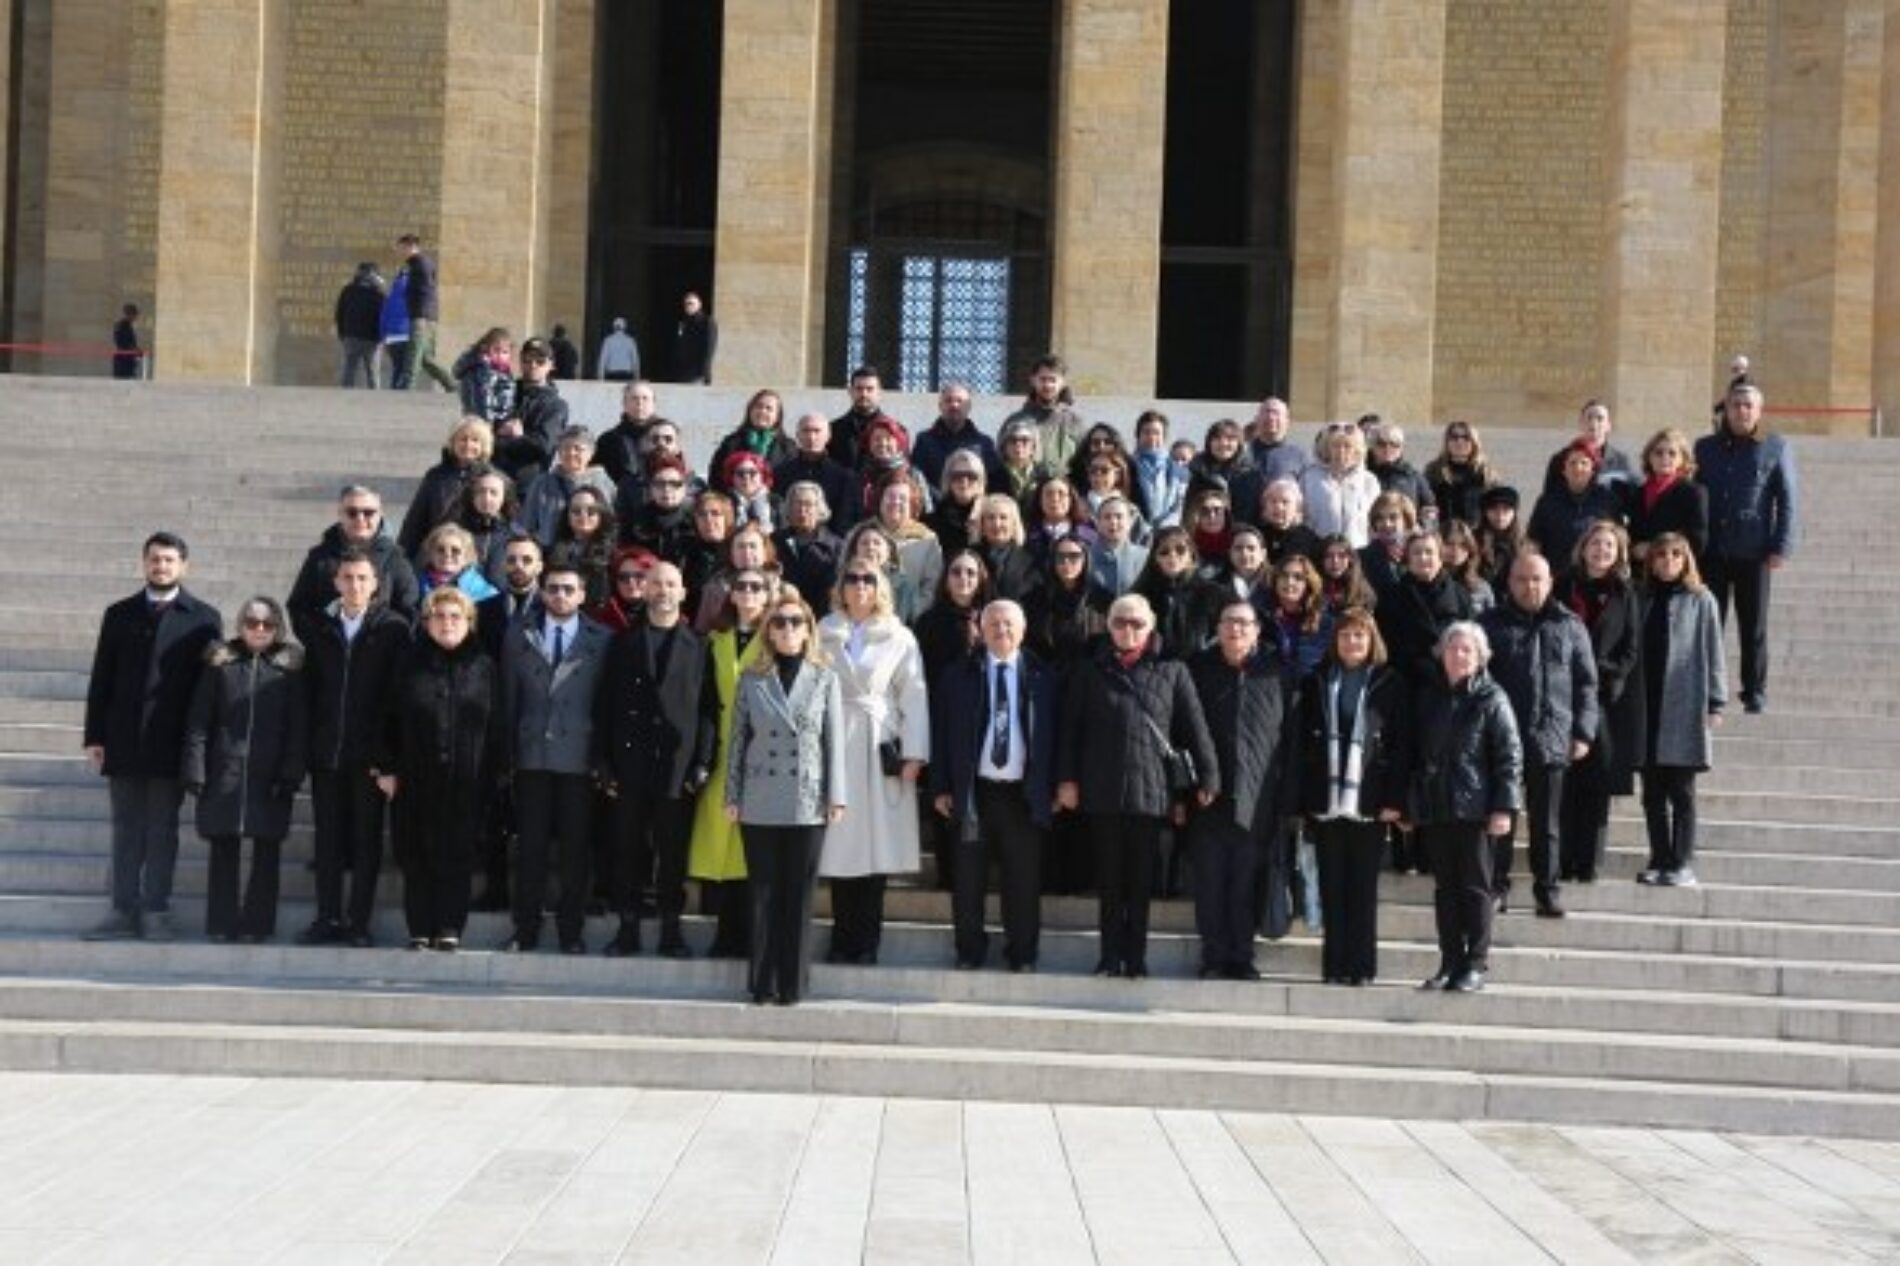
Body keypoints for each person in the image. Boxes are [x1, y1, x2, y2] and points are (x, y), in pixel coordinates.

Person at [1057, 594, 1218, 978]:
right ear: (1107, 626)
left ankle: (1137, 958)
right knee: (1109, 881)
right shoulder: (1089, 669)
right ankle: (1109, 955)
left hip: (1152, 792)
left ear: (1152, 626)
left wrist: (1209, 776)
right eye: (1119, 622)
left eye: (1136, 623)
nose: (1127, 630)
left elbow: (1195, 727)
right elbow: (1069, 731)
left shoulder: (1172, 669)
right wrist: (1066, 780)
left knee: (1141, 882)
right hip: (1102, 789)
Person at [82, 533, 223, 941]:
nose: (161, 566)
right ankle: (122, 909)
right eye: (154, 559)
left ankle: (156, 908)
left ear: (184, 566)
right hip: (123, 740)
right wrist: (95, 734)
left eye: (169, 560)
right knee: (126, 827)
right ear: (144, 563)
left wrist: (200, 745)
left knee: (162, 829)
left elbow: (207, 690)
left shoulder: (203, 618)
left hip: (171, 743)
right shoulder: (119, 614)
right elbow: (101, 678)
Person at [724, 591, 847, 1004]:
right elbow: (738, 741)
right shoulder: (751, 678)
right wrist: (732, 794)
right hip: (760, 795)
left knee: (799, 893)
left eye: (796, 621)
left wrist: (837, 794)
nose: (788, 629)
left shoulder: (825, 677)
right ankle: (762, 982)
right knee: (762, 892)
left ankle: (793, 984)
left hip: (807, 798)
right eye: (779, 622)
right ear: (768, 631)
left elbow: (834, 743)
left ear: (809, 629)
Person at [598, 562, 718, 957]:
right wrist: (604, 763)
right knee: (627, 850)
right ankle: (627, 928)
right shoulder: (621, 643)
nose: (663, 590)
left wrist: (702, 763)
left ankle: (671, 928)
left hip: (677, 767)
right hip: (630, 763)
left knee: (672, 853)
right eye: (655, 584)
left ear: (683, 592)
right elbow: (605, 706)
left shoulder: (700, 646)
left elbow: (707, 711)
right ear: (644, 591)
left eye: (670, 584)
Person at [932, 600, 1057, 971]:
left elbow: (1058, 735)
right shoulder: (958, 674)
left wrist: (1057, 785)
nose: (1001, 630)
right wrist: (940, 786)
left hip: (1023, 794)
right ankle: (969, 952)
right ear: (981, 631)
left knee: (1022, 880)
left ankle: (1022, 954)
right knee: (968, 880)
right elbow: (940, 733)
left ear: (1022, 629)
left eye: (1008, 624)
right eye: (993, 624)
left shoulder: (1043, 676)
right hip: (975, 793)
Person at [373, 587, 499, 950]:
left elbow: (497, 726)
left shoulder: (485, 667)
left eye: (455, 616)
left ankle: (448, 927)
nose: (447, 623)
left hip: (468, 780)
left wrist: (495, 774)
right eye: (439, 616)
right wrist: (385, 768)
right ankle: (419, 929)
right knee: (416, 854)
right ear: (426, 622)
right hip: (413, 777)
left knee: (457, 856)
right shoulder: (407, 663)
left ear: (469, 622)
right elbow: (386, 718)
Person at [817, 566, 930, 964]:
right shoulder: (823, 631)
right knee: (839, 848)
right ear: (840, 588)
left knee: (876, 848)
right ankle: (841, 938)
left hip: (880, 743)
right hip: (834, 743)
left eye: (868, 580)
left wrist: (915, 753)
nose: (860, 586)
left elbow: (914, 694)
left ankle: (867, 942)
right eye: (852, 579)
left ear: (880, 588)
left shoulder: (899, 636)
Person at [497, 561, 611, 954]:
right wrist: (507, 753)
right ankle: (524, 928)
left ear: (581, 594)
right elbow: (509, 697)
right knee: (529, 849)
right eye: (553, 589)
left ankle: (571, 931)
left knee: (576, 850)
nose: (560, 595)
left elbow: (603, 703)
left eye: (568, 589)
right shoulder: (518, 634)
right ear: (542, 593)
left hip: (579, 759)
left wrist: (602, 759)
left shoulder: (603, 638)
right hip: (531, 757)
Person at [1480, 552, 1599, 919]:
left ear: (1550, 582)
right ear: (1509, 582)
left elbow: (1586, 684)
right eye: (1521, 579)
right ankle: (1496, 887)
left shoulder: (1570, 624)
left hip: (1552, 737)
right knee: (1501, 818)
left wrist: (1583, 732)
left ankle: (1546, 890)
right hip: (1501, 741)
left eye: (1537, 579)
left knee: (1546, 823)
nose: (1529, 586)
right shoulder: (1489, 624)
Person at [300, 549, 410, 947]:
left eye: (362, 578)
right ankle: (327, 917)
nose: (354, 585)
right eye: (347, 578)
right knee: (327, 839)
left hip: (370, 759)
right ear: (336, 583)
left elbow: (396, 699)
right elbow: (308, 692)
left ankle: (358, 922)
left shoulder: (394, 629)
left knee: (366, 842)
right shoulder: (319, 627)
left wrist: (387, 759)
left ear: (376, 584)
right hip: (327, 753)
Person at [181, 597, 307, 943]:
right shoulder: (220, 663)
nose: (260, 629)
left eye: (268, 624)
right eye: (252, 622)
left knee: (267, 850)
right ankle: (221, 923)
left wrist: (291, 773)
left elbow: (299, 728)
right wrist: (194, 769)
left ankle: (257, 924)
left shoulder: (290, 669)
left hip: (270, 772)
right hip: (224, 767)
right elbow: (199, 721)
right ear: (241, 626)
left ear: (279, 627)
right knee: (223, 847)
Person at [1186, 601, 1298, 980]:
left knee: (1246, 883)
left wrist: (1287, 797)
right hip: (1207, 798)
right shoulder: (1197, 670)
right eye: (1229, 622)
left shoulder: (1277, 673)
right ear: (1217, 628)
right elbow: (1182, 732)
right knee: (1211, 882)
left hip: (1258, 800)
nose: (1236, 630)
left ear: (1256, 631)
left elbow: (1290, 741)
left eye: (1244, 624)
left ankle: (1242, 956)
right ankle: (1213, 957)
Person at [1298, 608, 1410, 986]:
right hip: (1326, 801)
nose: (1352, 642)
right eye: (1345, 636)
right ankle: (1334, 966)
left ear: (1371, 640)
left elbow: (1400, 747)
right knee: (1332, 887)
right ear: (1335, 641)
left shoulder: (1389, 683)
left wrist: (1395, 799)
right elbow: (1301, 743)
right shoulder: (1317, 681)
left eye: (1359, 636)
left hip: (1370, 801)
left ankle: (1361, 967)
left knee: (1362, 889)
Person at [1412, 622, 1523, 993]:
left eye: (1467, 650)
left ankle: (1475, 964)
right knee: (1446, 889)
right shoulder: (1429, 697)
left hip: (1477, 809)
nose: (1458, 656)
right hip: (1439, 807)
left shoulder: (1493, 698)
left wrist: (1504, 808)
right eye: (1452, 649)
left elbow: (1509, 757)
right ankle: (1449, 962)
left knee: (1476, 888)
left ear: (1480, 658)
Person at [688, 565, 775, 957]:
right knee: (722, 845)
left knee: (750, 849)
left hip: (762, 755)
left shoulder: (776, 640)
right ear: (732, 595)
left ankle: (752, 935)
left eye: (758, 587)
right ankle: (725, 935)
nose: (749, 593)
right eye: (742, 587)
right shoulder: (715, 641)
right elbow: (705, 702)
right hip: (723, 753)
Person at [1694, 381, 1797, 714]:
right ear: (1726, 408)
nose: (1741, 411)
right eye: (1735, 404)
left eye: (1748, 405)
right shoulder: (1704, 448)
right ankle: (1711, 692)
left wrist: (1781, 544)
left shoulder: (1774, 446)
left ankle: (1754, 691)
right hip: (1713, 551)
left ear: (1759, 411)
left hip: (1754, 552)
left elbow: (1788, 499)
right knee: (1711, 624)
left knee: (1754, 627)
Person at [1636, 533, 1727, 886]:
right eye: (1660, 555)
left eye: (1675, 555)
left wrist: (1716, 700)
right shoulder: (1642, 597)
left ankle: (1682, 861)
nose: (1667, 561)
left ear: (1686, 559)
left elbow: (1713, 650)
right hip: (1648, 704)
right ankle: (1659, 857)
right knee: (1652, 792)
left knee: (1682, 790)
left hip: (1685, 703)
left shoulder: (1701, 600)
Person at [1558, 521, 1642, 885]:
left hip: (1606, 699)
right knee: (1564, 783)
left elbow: (1631, 647)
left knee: (1597, 782)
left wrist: (1605, 673)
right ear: (1584, 546)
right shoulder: (1563, 584)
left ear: (1619, 552)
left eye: (1609, 545)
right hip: (1563, 695)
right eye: (1596, 543)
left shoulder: (1626, 592)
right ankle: (1562, 860)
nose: (1601, 550)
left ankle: (1589, 862)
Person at [287, 487, 420, 664]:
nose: (360, 519)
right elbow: (299, 606)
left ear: (380, 514)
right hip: (329, 660)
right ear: (340, 514)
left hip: (380, 661)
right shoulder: (320, 557)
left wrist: (387, 642)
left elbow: (410, 608)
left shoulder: (396, 559)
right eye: (352, 512)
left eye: (368, 512)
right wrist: (319, 640)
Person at [1376, 531, 1474, 686]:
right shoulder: (1391, 596)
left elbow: (1471, 639)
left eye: (1429, 552)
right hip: (1407, 682)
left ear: (1440, 558)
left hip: (1450, 681)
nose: (1423, 558)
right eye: (1416, 553)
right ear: (1408, 560)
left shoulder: (1460, 595)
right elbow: (1386, 644)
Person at [399, 418, 495, 562]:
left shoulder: (492, 478)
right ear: (453, 443)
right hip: (439, 553)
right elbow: (416, 520)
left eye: (475, 440)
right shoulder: (436, 476)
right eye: (463, 439)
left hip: (477, 556)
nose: (468, 445)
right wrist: (402, 557)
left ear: (484, 446)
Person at [1527, 443, 1622, 581]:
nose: (1578, 468)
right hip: (1556, 578)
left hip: (1599, 578)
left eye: (1584, 463)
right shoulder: (1547, 501)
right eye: (1572, 463)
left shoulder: (1609, 501)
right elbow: (1533, 541)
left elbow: (1619, 540)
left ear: (1592, 470)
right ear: (1564, 470)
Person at [1130, 526, 1223, 660]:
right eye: (1164, 551)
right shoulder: (1140, 596)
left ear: (1191, 555)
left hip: (1200, 669)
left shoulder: (1214, 592)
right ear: (1155, 558)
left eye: (1180, 550)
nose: (1172, 556)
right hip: (1155, 669)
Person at [417, 524, 509, 657]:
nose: (447, 555)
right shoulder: (415, 588)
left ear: (467, 556)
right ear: (431, 554)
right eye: (440, 550)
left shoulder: (488, 595)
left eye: (455, 550)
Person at [519, 426, 617, 549]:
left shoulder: (603, 482)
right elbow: (526, 524)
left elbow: (611, 522)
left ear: (591, 453)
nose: (571, 453)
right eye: (565, 448)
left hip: (595, 553)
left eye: (578, 448)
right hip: (552, 554)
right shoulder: (542, 483)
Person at [1624, 427, 1708, 563]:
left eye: (1672, 453)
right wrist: (1633, 548)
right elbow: (1631, 534)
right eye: (1658, 453)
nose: (1665, 458)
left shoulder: (1693, 492)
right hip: (1641, 573)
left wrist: (1654, 549)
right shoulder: (1637, 493)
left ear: (1682, 459)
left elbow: (1697, 540)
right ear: (1649, 457)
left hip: (1675, 570)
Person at [500, 337, 570, 481]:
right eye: (527, 360)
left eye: (540, 361)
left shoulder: (556, 406)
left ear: (551, 365)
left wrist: (518, 437)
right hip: (495, 479)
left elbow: (544, 446)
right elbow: (485, 434)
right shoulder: (504, 394)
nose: (533, 365)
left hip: (529, 485)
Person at [1300, 425, 1382, 547]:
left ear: (1357, 450)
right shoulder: (1309, 478)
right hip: (1320, 550)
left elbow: (1376, 520)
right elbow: (1301, 516)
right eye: (1336, 446)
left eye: (1347, 446)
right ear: (1327, 449)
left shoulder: (1369, 481)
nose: (1341, 451)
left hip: (1357, 550)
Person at [911, 382, 1001, 492]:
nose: (954, 405)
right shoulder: (924, 441)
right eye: (948, 400)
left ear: (969, 407)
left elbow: (992, 482)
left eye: (960, 401)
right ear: (940, 406)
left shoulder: (984, 443)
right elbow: (918, 480)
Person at [775, 413, 857, 530]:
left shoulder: (843, 477)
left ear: (828, 436)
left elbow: (845, 519)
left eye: (817, 431)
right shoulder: (781, 473)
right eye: (806, 431)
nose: (811, 437)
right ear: (797, 435)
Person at [1003, 354, 1085, 472]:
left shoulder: (1075, 423)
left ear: (1062, 383)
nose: (1047, 385)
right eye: (1043, 379)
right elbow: (1003, 461)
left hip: (1062, 488)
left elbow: (1083, 462)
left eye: (1052, 380)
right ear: (1033, 380)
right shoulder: (1014, 422)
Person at [396, 233, 454, 391]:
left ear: (410, 246)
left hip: (422, 315)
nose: (399, 252)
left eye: (401, 248)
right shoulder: (417, 264)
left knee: (414, 352)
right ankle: (451, 384)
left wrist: (419, 312)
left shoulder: (420, 264)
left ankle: (407, 385)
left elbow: (426, 291)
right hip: (425, 314)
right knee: (426, 358)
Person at [710, 390, 798, 492]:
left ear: (777, 416)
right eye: (758, 406)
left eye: (768, 408)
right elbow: (716, 476)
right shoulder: (731, 442)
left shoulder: (788, 447)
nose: (762, 411)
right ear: (750, 411)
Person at [1541, 399, 1633, 496]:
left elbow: (1629, 497)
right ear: (1581, 423)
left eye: (1600, 418)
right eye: (1589, 418)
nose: (1594, 423)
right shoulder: (1561, 459)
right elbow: (1549, 497)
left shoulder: (1621, 461)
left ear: (1608, 426)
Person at [775, 482, 844, 602]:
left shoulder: (837, 546)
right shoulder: (775, 541)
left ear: (819, 509)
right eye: (797, 504)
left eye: (808, 504)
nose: (802, 510)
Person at [1426, 421, 1499, 529]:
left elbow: (1496, 507)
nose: (1459, 441)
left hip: (1477, 536)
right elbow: (1427, 506)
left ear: (1474, 442)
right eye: (1454, 437)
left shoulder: (1486, 472)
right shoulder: (1433, 470)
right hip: (1443, 535)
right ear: (1447, 442)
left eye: (1466, 437)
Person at [456, 464, 518, 590]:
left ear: (504, 497)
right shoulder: (455, 532)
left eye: (493, 493)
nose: (487, 498)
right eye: (481, 491)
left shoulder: (516, 535)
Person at [972, 494, 1043, 604]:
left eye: (1003, 517)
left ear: (1014, 523)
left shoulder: (1030, 561)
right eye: (990, 518)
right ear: (982, 524)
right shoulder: (969, 556)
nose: (997, 524)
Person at [595, 380, 666, 488]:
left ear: (654, 404)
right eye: (634, 398)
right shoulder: (608, 440)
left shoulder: (667, 436)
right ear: (624, 404)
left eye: (645, 398)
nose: (640, 403)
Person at [829, 365, 900, 471]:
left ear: (880, 392)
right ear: (850, 391)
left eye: (870, 389)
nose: (864, 394)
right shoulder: (833, 430)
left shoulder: (897, 430)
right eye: (859, 389)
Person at [1129, 410, 1188, 530]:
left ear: (1164, 437)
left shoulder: (1178, 471)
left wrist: (1164, 527)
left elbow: (1179, 505)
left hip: (1167, 533)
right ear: (1138, 435)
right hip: (1133, 531)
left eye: (1156, 433)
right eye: (1146, 432)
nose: (1151, 437)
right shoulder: (1127, 465)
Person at [925, 450, 989, 558]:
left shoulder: (993, 516)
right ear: (948, 480)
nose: (964, 481)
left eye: (971, 476)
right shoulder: (933, 521)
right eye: (957, 476)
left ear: (980, 481)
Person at [1366, 423, 1434, 518]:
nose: (1388, 448)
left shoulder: (1413, 477)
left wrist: (1422, 527)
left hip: (1406, 531)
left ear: (1401, 448)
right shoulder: (1364, 475)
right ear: (1372, 447)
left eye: (1394, 444)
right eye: (1381, 443)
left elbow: (1429, 508)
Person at [334, 262, 385, 388]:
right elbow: (384, 317)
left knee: (349, 370)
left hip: (352, 335)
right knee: (373, 373)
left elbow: (339, 313)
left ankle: (344, 400)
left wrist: (343, 333)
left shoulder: (348, 290)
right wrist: (382, 336)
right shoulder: (379, 294)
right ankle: (377, 403)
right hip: (372, 337)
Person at [1088, 495, 1148, 598]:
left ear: (1130, 522)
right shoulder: (1086, 556)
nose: (1113, 522)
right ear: (1097, 523)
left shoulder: (1145, 556)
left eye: (1119, 516)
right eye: (1107, 517)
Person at [454, 326, 516, 425]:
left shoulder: (504, 371)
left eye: (505, 352)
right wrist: (487, 422)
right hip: (481, 420)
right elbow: (481, 398)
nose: (500, 356)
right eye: (496, 350)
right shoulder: (480, 371)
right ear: (485, 349)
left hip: (497, 420)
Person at [1475, 485, 1527, 599]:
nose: (1500, 515)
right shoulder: (1475, 540)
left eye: (1506, 509)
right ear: (1486, 512)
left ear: (1514, 513)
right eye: (1494, 509)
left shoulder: (1525, 544)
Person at [1257, 478, 1322, 567]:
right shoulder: (1257, 536)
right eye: (1273, 501)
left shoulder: (1310, 540)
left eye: (1285, 502)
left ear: (1297, 508)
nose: (1279, 507)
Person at [996, 418, 1056, 506]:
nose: (1018, 445)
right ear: (1004, 447)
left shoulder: (1046, 475)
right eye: (1013, 440)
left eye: (1025, 440)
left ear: (1033, 447)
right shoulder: (994, 476)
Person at [1441, 520, 1495, 615]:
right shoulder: (1428, 582)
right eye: (1449, 544)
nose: (1456, 550)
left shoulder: (1481, 587)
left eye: (1462, 545)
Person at [1318, 534, 1378, 615]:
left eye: (1341, 556)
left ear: (1350, 559)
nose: (1335, 561)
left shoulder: (1363, 592)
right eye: (1329, 556)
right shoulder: (1314, 590)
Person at [673, 290, 717, 383]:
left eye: (691, 303)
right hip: (682, 371)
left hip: (697, 373)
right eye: (686, 304)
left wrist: (705, 372)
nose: (688, 306)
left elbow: (709, 348)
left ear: (699, 305)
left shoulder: (707, 322)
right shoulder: (684, 322)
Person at [380, 270, 411, 387]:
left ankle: (394, 389)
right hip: (406, 335)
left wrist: (383, 337)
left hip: (391, 338)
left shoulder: (390, 297)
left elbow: (382, 319)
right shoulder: (412, 296)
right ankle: (400, 392)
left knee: (397, 367)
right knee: (406, 368)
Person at [597, 316, 640, 381]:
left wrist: (600, 376)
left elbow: (603, 359)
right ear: (625, 327)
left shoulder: (608, 341)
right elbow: (635, 359)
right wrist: (637, 376)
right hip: (626, 374)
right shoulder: (630, 341)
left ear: (614, 327)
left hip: (612, 373)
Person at [111, 303, 143, 380]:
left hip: (128, 359)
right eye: (135, 315)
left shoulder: (128, 326)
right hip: (123, 360)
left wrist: (136, 350)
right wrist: (134, 349)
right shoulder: (121, 326)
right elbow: (122, 342)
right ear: (130, 314)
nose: (135, 317)